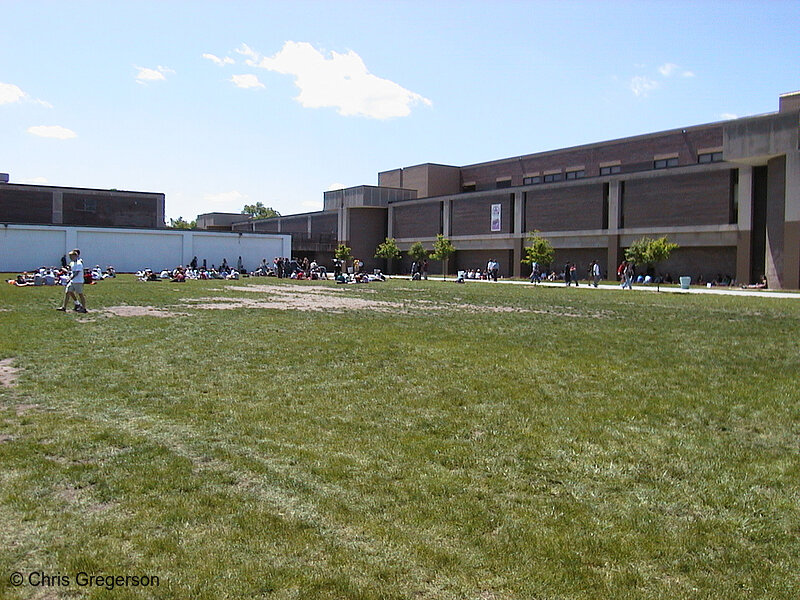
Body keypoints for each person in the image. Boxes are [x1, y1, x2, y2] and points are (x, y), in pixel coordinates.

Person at [57, 248, 87, 313]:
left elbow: (76, 273)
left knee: (80, 294)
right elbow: (71, 270)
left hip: (78, 281)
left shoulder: (79, 263)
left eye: (71, 256)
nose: (70, 257)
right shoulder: (72, 263)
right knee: (68, 292)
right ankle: (64, 307)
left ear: (75, 256)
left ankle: (84, 308)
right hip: (73, 281)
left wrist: (70, 278)